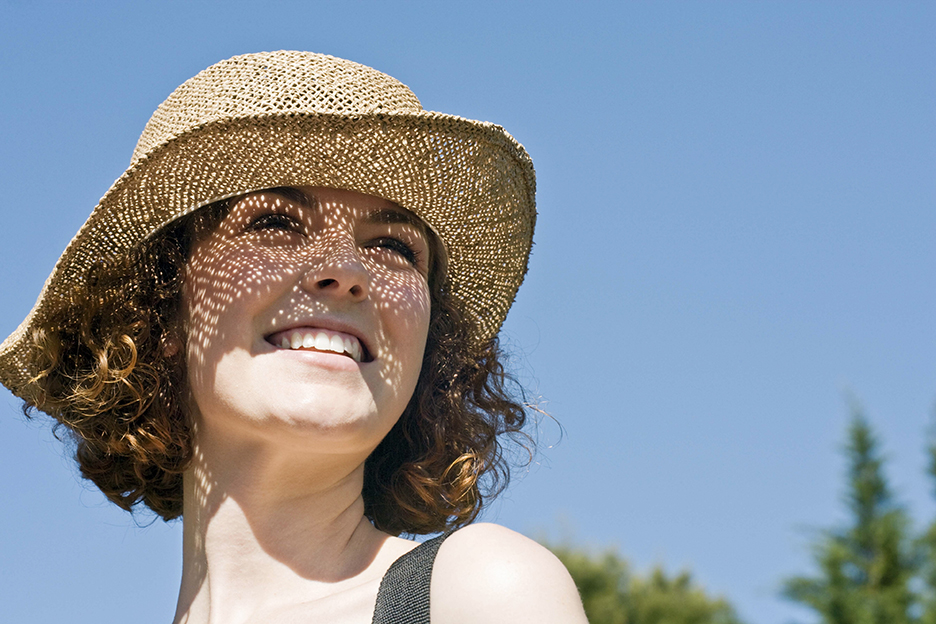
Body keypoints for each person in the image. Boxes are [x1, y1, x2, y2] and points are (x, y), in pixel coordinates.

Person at [0, 51, 587, 623]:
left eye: (394, 247)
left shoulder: (478, 592)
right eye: (276, 223)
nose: (348, 271)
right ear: (159, 312)